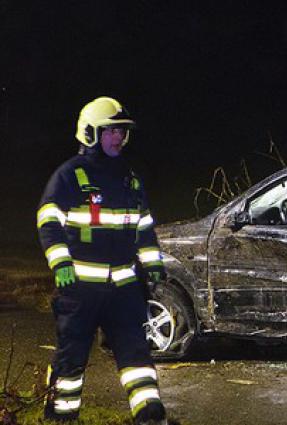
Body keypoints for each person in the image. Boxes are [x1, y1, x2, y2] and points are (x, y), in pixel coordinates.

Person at [36, 96, 168, 424]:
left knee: (136, 353)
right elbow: (48, 220)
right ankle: (61, 415)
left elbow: (144, 226)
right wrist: (60, 263)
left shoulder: (129, 179)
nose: (118, 137)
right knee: (71, 357)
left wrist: (153, 263)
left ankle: (149, 412)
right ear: (91, 133)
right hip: (80, 290)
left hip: (124, 289)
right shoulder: (69, 175)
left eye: (122, 131)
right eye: (111, 131)